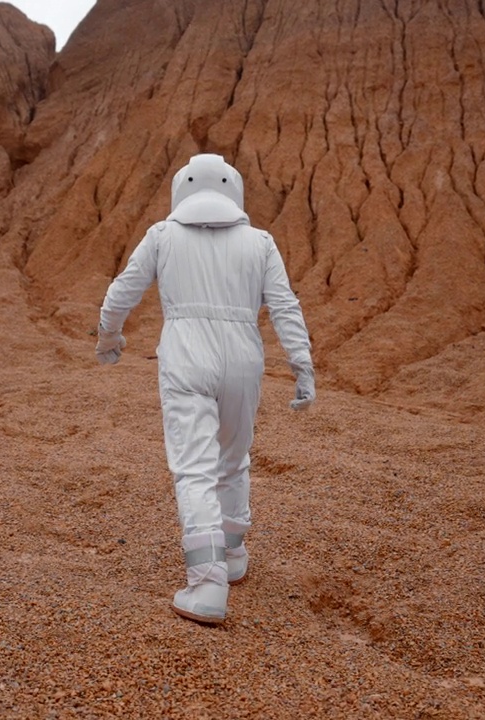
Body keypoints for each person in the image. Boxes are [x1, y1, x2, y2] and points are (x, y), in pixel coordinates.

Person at [95, 153, 315, 625]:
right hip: (243, 357)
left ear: (182, 191)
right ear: (234, 191)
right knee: (233, 458)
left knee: (194, 467)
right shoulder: (261, 242)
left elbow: (123, 291)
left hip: (186, 355)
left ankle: (208, 583)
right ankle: (232, 555)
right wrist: (303, 364)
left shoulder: (162, 236)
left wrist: (108, 336)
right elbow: (284, 306)